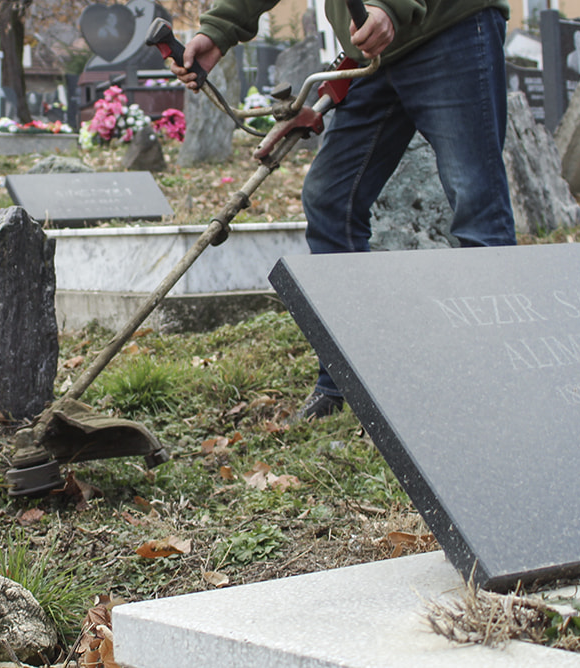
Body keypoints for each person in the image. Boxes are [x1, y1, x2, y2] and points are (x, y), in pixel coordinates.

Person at [170, 0, 516, 420]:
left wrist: (390, 6)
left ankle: (502, 382)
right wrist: (219, 29)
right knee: (330, 198)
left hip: (447, 26)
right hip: (370, 53)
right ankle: (345, 378)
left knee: (476, 202)